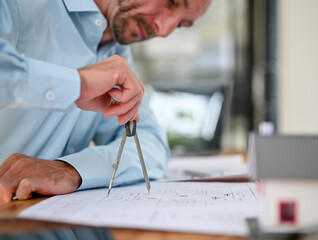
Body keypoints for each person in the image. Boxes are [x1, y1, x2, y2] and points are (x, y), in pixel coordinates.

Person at [0, 0, 212, 204]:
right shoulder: (19, 5)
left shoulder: (116, 53)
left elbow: (152, 143)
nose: (164, 30)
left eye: (181, 25)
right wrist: (77, 85)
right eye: (172, 1)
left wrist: (70, 170)